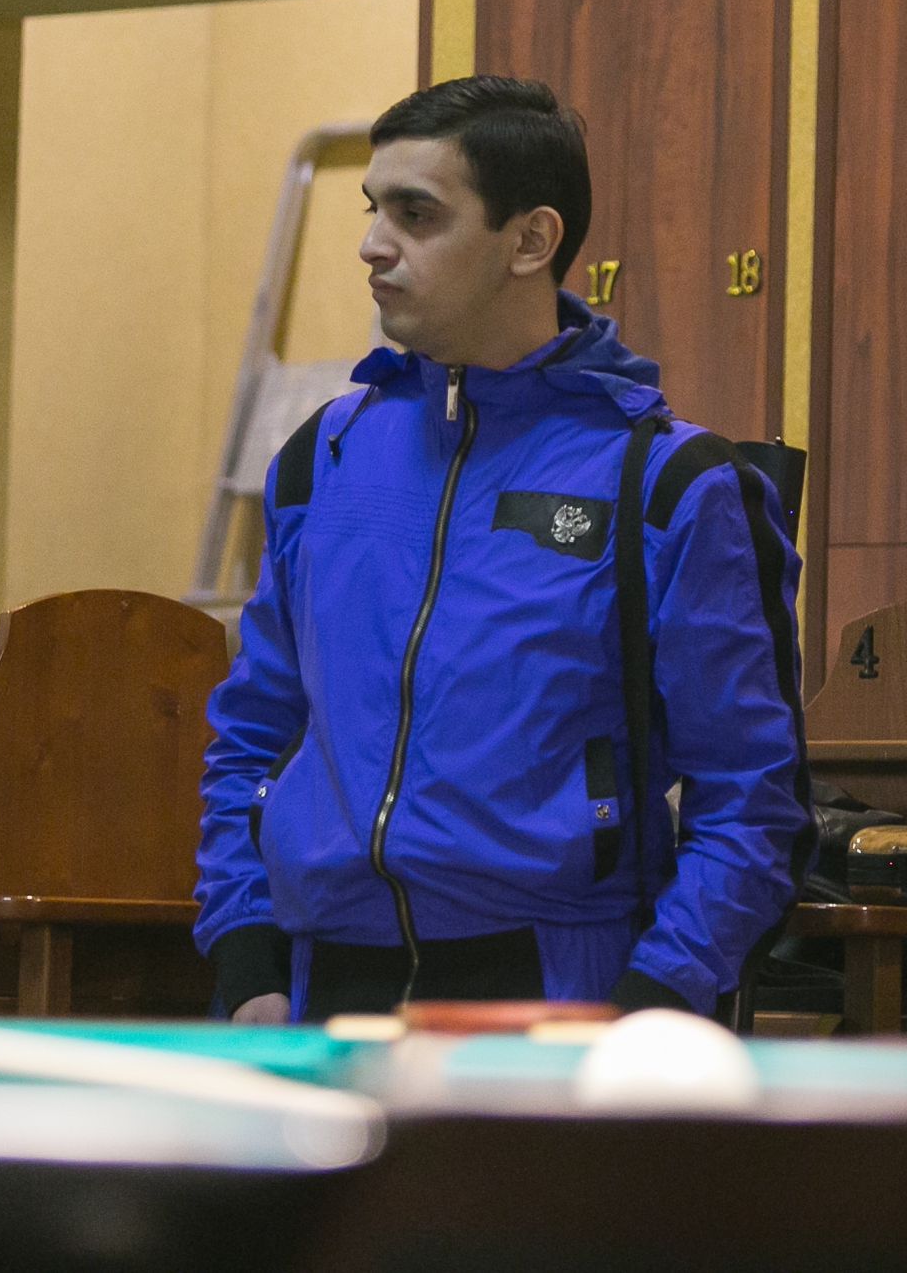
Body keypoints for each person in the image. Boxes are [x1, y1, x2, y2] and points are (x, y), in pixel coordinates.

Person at [193, 75, 812, 1025]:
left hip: (559, 997)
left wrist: (650, 1002)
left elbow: (753, 803)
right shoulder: (324, 459)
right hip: (324, 993)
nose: (372, 244)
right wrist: (247, 965)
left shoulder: (668, 483)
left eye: (416, 214)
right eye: (372, 209)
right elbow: (252, 734)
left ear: (530, 240)